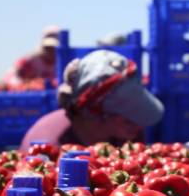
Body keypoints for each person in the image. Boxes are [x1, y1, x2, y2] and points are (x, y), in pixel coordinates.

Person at [20, 49, 164, 148]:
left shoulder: (126, 136)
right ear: (96, 114)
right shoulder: (48, 146)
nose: (139, 124)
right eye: (129, 116)